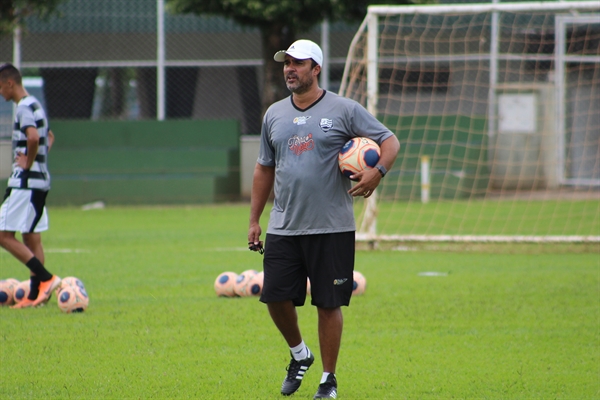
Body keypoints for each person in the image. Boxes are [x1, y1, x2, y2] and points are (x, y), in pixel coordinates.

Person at [248, 40, 400, 399]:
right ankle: (300, 354)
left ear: (315, 68)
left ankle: (327, 381)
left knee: (328, 304)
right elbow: (263, 168)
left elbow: (389, 141)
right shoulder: (274, 115)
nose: (289, 69)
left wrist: (377, 172)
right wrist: (254, 220)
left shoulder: (344, 110)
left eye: (297, 63)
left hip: (332, 226)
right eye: (286, 63)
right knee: (274, 297)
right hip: (284, 226)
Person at [0, 63, 61, 309]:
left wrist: (27, 162)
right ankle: (36, 296)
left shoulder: (23, 107)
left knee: (3, 234)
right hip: (39, 183)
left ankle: (46, 279)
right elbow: (48, 137)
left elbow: (34, 137)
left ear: (9, 83)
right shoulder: (35, 104)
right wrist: (39, 156)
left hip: (25, 183)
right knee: (31, 237)